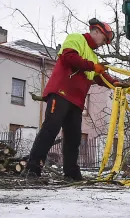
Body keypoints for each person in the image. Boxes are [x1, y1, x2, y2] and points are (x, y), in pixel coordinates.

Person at [25, 19, 123, 181]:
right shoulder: (76, 38)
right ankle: (33, 169)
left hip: (77, 101)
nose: (103, 43)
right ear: (96, 31)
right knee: (50, 129)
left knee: (74, 137)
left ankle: (72, 174)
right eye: (104, 39)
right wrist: (93, 67)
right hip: (61, 93)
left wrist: (114, 83)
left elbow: (100, 76)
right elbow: (69, 57)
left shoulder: (93, 57)